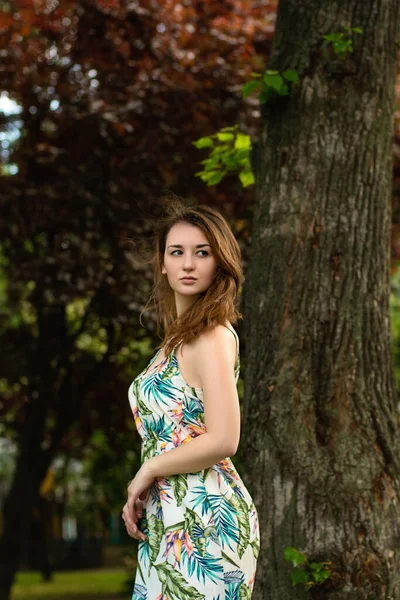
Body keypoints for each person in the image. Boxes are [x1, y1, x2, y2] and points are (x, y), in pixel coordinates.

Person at [123, 199, 260, 600]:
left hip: (206, 520)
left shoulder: (212, 336)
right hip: (168, 517)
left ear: (220, 262)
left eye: (202, 253)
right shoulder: (175, 341)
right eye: (176, 252)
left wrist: (148, 469)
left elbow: (223, 439)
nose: (188, 264)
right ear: (162, 264)